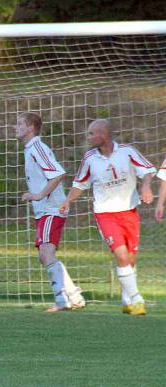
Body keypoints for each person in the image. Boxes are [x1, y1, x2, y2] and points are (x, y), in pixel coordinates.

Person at [60, 119, 154, 316]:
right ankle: (137, 299)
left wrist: (145, 186)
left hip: (128, 211)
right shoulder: (89, 158)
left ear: (104, 135)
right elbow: (80, 184)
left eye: (92, 133)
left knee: (130, 258)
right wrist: (68, 200)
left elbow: (147, 172)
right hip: (105, 214)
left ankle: (127, 299)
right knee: (121, 255)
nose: (88, 137)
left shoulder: (128, 151)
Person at [14, 113, 85, 312]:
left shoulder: (37, 147)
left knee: (46, 253)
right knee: (44, 255)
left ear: (30, 128)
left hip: (51, 208)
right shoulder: (30, 149)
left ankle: (62, 300)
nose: (15, 127)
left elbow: (58, 173)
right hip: (46, 210)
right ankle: (74, 296)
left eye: (19, 124)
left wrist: (38, 195)